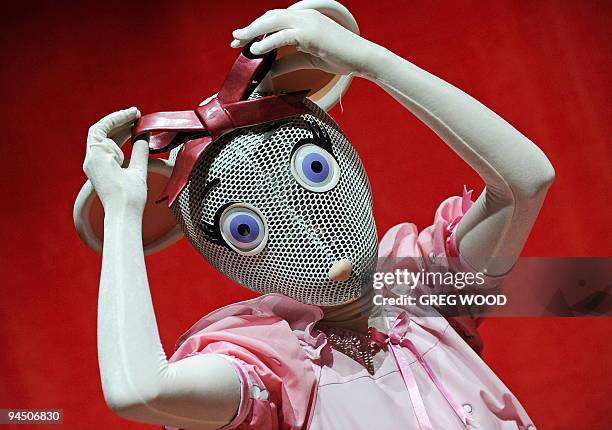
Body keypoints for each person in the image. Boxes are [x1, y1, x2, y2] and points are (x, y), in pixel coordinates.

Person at [80, 1, 553, 429]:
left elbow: (524, 183)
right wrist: (123, 213)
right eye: (246, 230)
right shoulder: (274, 372)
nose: (314, 234)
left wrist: (372, 62)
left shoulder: (425, 292)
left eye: (316, 171)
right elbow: (140, 391)